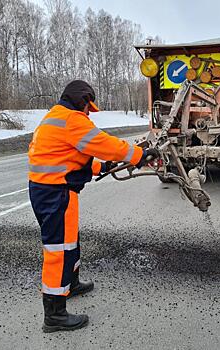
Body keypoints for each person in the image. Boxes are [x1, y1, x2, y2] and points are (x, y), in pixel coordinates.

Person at [28, 80, 158, 333]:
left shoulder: (55, 117)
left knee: (69, 242)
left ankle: (71, 284)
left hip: (50, 189)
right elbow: (104, 143)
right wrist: (138, 155)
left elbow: (68, 157)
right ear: (82, 100)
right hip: (56, 193)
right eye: (89, 107)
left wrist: (103, 167)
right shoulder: (72, 119)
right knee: (58, 250)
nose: (89, 112)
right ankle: (54, 315)